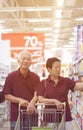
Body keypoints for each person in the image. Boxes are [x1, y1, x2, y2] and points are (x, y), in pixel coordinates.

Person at [37, 57, 83, 130]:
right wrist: (54, 101)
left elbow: (77, 86)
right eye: (56, 67)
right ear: (49, 69)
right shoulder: (43, 83)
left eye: (59, 67)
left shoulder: (66, 81)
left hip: (65, 116)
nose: (58, 69)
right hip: (50, 117)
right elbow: (41, 99)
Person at [3, 50, 40, 130]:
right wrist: (20, 100)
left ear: (31, 63)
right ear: (18, 61)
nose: (25, 61)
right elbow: (6, 95)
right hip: (16, 115)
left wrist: (32, 103)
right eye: (23, 59)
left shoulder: (35, 77)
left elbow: (37, 93)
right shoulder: (11, 76)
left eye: (28, 59)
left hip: (31, 114)